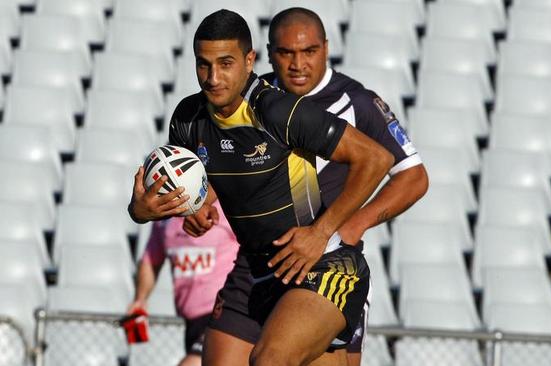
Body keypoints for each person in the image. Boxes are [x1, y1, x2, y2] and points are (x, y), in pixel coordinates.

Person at [128, 9, 394, 366]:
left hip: (322, 266)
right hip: (255, 272)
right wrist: (155, 212)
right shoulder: (188, 119)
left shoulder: (279, 111)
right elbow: (203, 188)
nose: (213, 77)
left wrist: (321, 232)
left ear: (249, 60)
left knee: (269, 361)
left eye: (225, 63)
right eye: (203, 65)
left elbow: (376, 159)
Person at [205, 7, 429, 366]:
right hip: (255, 266)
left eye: (309, 51)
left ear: (325, 48)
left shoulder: (357, 102)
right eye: (286, 53)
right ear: (267, 52)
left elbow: (414, 177)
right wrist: (204, 202)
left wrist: (347, 226)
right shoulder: (249, 98)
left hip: (325, 267)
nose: (298, 64)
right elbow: (223, 159)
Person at [126, 200, 239, 366]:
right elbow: (151, 260)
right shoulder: (164, 219)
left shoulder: (225, 206)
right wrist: (140, 299)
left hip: (225, 312)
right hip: (192, 321)